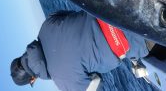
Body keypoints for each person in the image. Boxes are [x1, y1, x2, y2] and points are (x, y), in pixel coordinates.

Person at [10, 10, 150, 90]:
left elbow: (96, 84)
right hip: (120, 7)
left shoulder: (63, 81)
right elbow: (75, 15)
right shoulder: (46, 25)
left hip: (137, 40)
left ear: (33, 78)